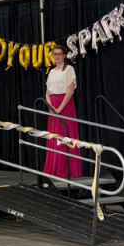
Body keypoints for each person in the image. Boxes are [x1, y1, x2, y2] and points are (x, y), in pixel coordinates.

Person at [43, 45, 81, 178]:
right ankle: (54, 167)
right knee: (54, 135)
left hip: (65, 105)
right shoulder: (52, 71)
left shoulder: (69, 69)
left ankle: (66, 169)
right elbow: (47, 91)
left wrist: (59, 108)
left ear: (65, 55)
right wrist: (50, 105)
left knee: (65, 133)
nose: (57, 56)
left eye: (59, 54)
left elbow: (70, 91)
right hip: (53, 105)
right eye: (54, 54)